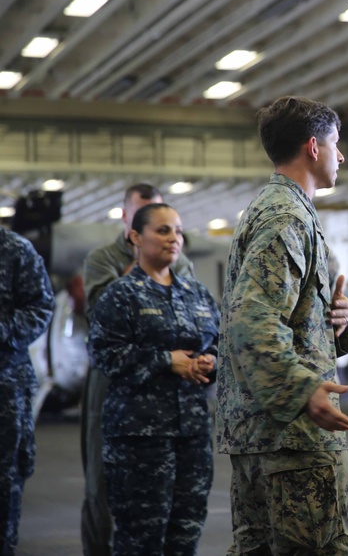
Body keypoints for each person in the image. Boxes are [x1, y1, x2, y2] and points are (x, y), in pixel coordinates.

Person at [215, 95, 348, 555]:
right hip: (291, 440)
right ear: (313, 148)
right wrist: (301, 389)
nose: (342, 155)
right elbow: (251, 320)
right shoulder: (286, 217)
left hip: (264, 435)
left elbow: (277, 315)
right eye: (336, 144)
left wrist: (332, 320)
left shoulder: (277, 211)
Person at [88, 204, 219, 556]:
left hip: (192, 436)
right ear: (135, 237)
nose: (173, 238)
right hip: (139, 440)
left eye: (177, 231)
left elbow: (221, 347)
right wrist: (165, 361)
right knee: (139, 541)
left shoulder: (197, 294)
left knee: (185, 536)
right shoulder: (120, 296)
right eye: (162, 230)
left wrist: (210, 361)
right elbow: (103, 354)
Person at [0, 227, 55, 556]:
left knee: (6, 478)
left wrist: (3, 330)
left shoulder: (15, 249)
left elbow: (41, 308)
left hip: (5, 387)